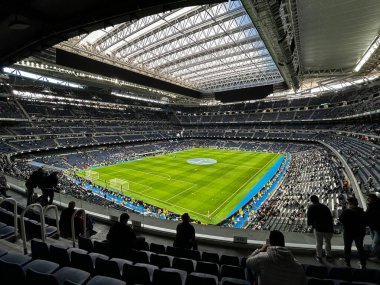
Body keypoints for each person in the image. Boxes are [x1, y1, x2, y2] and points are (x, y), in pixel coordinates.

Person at [339, 197, 367, 269]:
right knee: (360, 248)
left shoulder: (347, 211)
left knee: (347, 248)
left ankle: (347, 262)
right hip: (360, 233)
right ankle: (363, 263)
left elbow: (341, 220)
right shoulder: (362, 211)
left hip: (348, 233)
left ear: (350, 204)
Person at [307, 195, 334, 262]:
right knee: (328, 242)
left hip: (318, 228)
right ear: (318, 199)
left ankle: (319, 257)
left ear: (311, 201)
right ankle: (329, 256)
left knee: (319, 243)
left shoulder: (311, 207)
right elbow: (330, 217)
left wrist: (310, 226)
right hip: (328, 228)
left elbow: (309, 218)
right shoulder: (325, 207)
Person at [366, 194, 380, 263]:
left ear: (373, 199)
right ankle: (375, 255)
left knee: (376, 242)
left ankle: (377, 257)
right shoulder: (371, 205)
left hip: (377, 227)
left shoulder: (377, 206)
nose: (368, 200)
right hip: (372, 226)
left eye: (369, 198)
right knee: (374, 241)